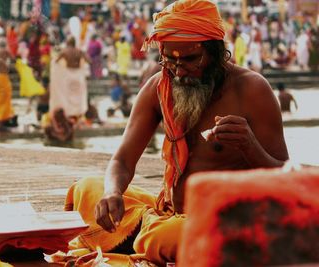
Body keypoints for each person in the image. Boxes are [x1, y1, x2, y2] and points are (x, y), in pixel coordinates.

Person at [62, 1, 289, 266]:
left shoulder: (251, 90)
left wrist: (250, 146)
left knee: (166, 235)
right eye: (169, 60)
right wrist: (112, 192)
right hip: (168, 212)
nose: (179, 71)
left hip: (223, 219)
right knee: (87, 188)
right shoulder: (158, 87)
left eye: (191, 59)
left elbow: (286, 178)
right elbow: (122, 160)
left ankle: (145, 239)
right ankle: (146, 234)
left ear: (216, 52)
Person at [49, 36, 91, 122]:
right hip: (78, 76)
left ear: (68, 43)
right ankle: (78, 115)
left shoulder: (64, 51)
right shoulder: (79, 51)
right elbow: (89, 60)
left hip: (67, 75)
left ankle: (70, 114)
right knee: (79, 96)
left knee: (67, 95)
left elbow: (56, 61)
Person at [0, 39, 18, 132]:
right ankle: (1, 121)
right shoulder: (4, 50)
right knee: (4, 98)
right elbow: (14, 59)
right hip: (1, 77)